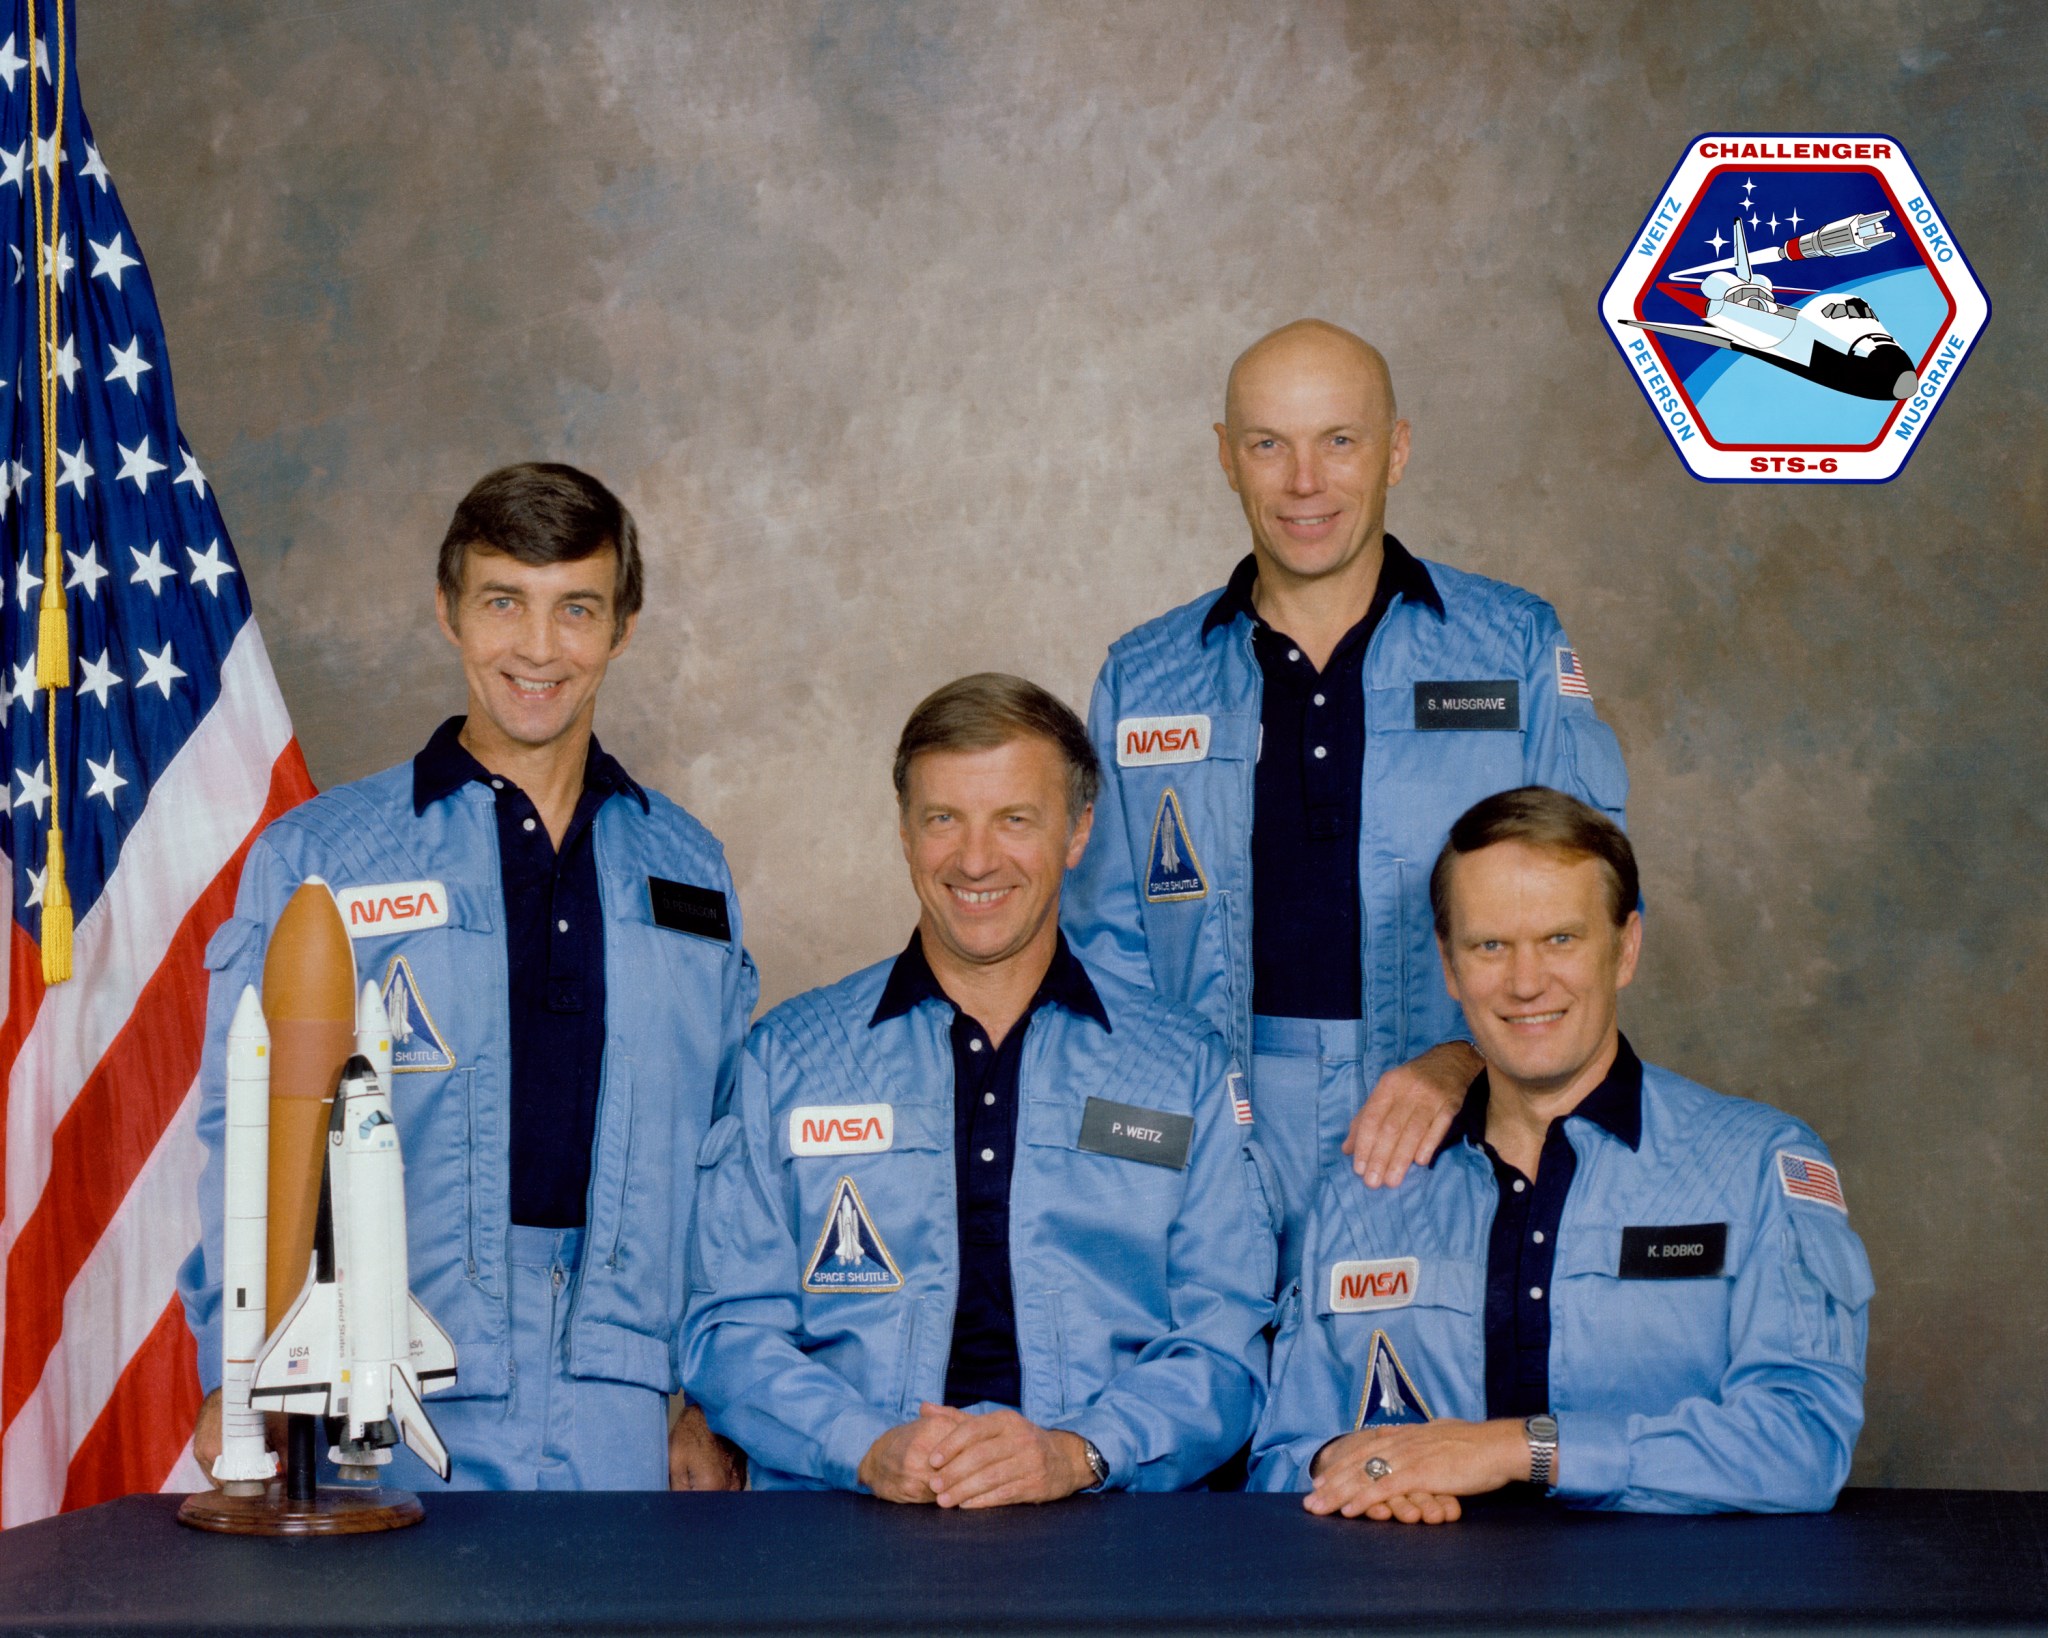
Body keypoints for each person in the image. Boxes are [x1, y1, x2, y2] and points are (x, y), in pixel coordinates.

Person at [177, 462, 757, 1491]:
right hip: (387, 1376)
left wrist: (710, 1400)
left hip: (625, 1389)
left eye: (576, 608)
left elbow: (728, 1154)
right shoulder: (324, 859)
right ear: (448, 612)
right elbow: (248, 1129)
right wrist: (245, 1361)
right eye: (504, 603)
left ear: (622, 627)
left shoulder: (688, 868)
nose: (539, 649)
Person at [1063, 318, 1631, 1284]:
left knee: (1417, 1413)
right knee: (1209, 1402)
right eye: (1267, 445)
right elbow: (1099, 956)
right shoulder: (1146, 677)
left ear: (1396, 450)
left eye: (1339, 440)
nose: (1304, 483)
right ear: (1225, 460)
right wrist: (1150, 1155)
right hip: (1210, 1116)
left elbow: (1591, 911)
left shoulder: (1510, 649)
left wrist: (1465, 1064)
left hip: (1451, 1109)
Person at [683, 674, 1272, 1503]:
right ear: (903, 831)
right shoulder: (790, 1058)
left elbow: (1227, 1344)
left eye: (1015, 820)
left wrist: (1079, 1453)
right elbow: (728, 1328)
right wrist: (864, 1449)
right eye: (943, 819)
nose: (975, 859)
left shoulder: (1183, 1069)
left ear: (1078, 831)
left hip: (1110, 1542)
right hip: (841, 1531)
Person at [1249, 787, 1872, 1519]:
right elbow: (1282, 1459)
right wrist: (1361, 1470)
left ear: (1626, 948)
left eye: (1560, 940)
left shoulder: (1757, 1168)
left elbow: (1805, 1444)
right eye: (1490, 946)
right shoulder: (1369, 1189)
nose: (1524, 983)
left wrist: (1520, 1448)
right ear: (1449, 968)